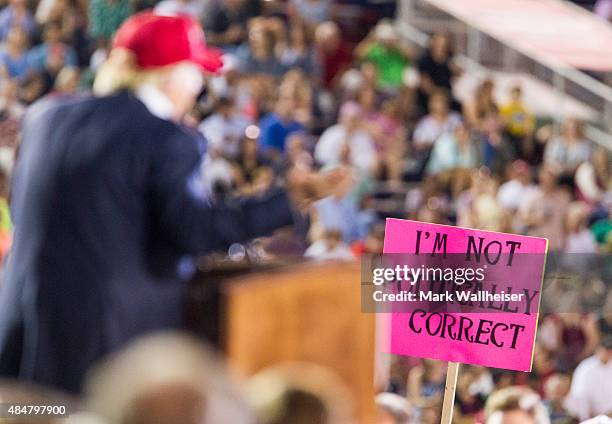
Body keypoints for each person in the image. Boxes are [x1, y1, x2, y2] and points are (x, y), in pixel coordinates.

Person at [0, 12, 344, 395]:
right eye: (195, 73)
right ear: (172, 77)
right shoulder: (166, 138)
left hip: (21, 341)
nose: (198, 86)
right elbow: (194, 230)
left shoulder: (46, 116)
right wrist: (289, 200)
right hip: (104, 353)